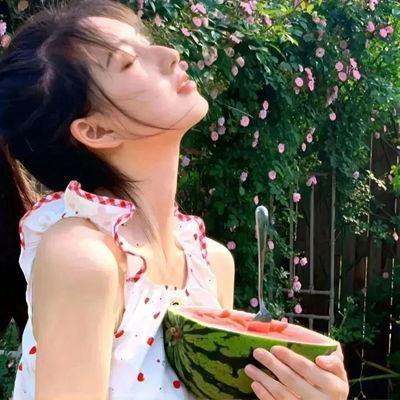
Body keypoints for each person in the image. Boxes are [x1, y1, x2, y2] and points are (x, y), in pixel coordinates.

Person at [0, 0, 349, 398]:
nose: (168, 54)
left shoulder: (211, 263)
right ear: (96, 131)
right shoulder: (84, 257)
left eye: (146, 42)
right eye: (129, 61)